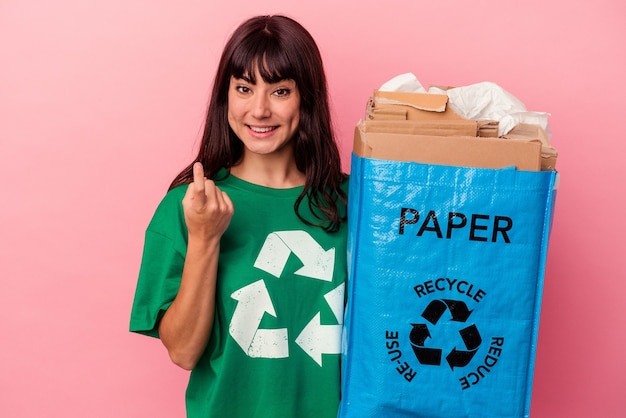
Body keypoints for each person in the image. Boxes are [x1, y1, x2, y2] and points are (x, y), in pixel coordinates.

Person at [129, 15, 348, 418]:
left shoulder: (356, 205)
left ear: (307, 98)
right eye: (244, 89)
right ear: (226, 97)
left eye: (280, 91)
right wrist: (205, 238)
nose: (259, 110)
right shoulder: (190, 206)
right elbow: (183, 351)